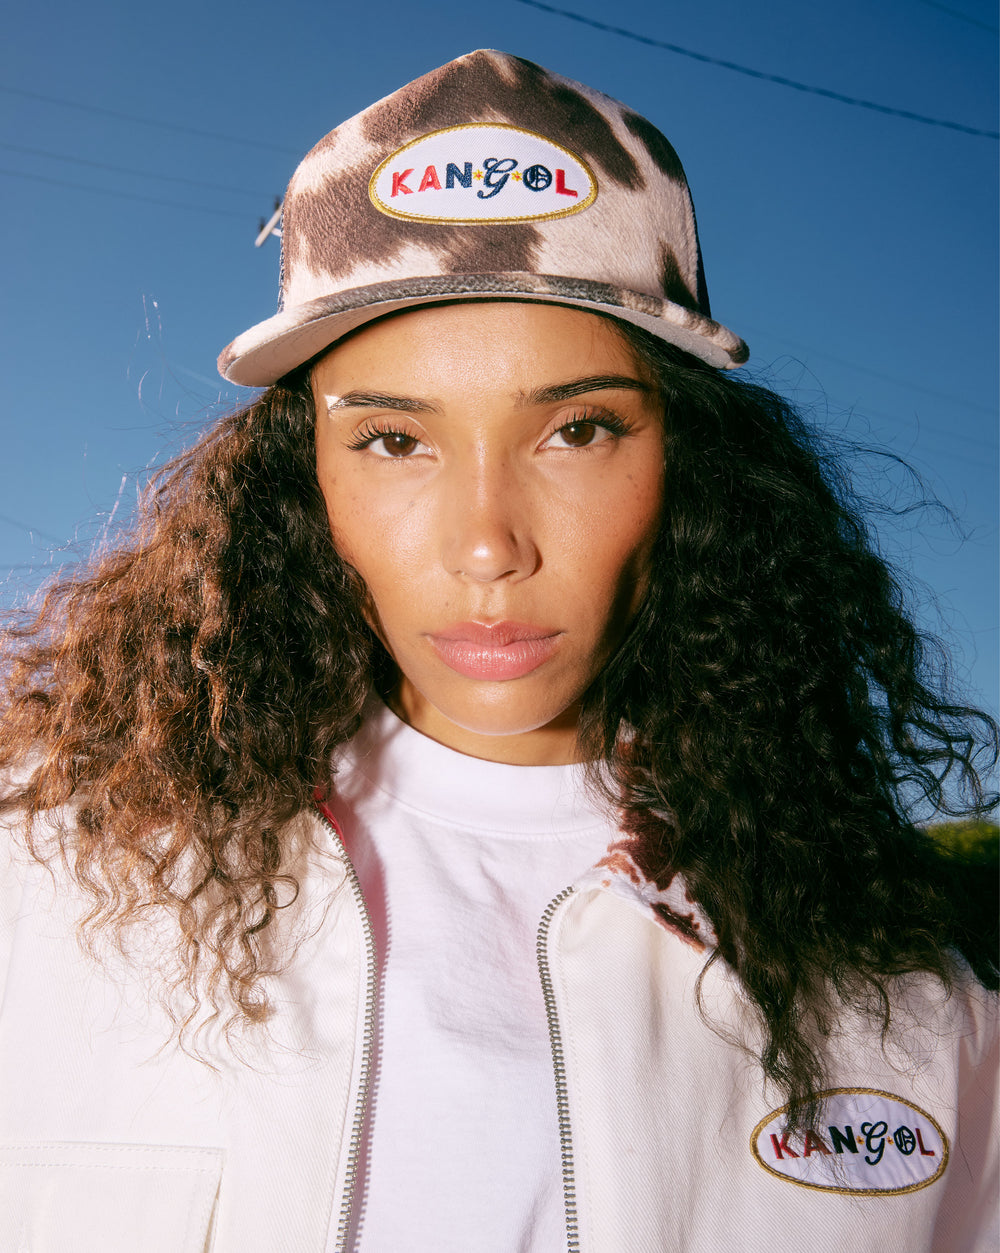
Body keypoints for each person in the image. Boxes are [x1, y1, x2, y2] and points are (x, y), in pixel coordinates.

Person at [0, 49, 996, 1253]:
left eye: (576, 429)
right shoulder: (41, 882)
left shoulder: (917, 1015)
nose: (487, 545)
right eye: (391, 441)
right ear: (296, 484)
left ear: (692, 472)